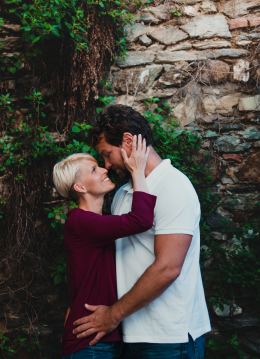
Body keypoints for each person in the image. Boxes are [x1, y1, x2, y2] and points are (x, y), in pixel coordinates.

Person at [72, 105, 210, 359]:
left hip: (169, 337)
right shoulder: (124, 194)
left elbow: (168, 267)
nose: (107, 164)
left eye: (107, 154)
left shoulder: (173, 186)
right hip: (130, 333)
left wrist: (113, 314)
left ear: (127, 142)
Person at [53, 135, 157, 359]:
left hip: (101, 340)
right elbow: (141, 220)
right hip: (89, 343)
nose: (104, 170)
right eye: (93, 170)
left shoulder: (100, 221)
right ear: (79, 187)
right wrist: (137, 172)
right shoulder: (81, 222)